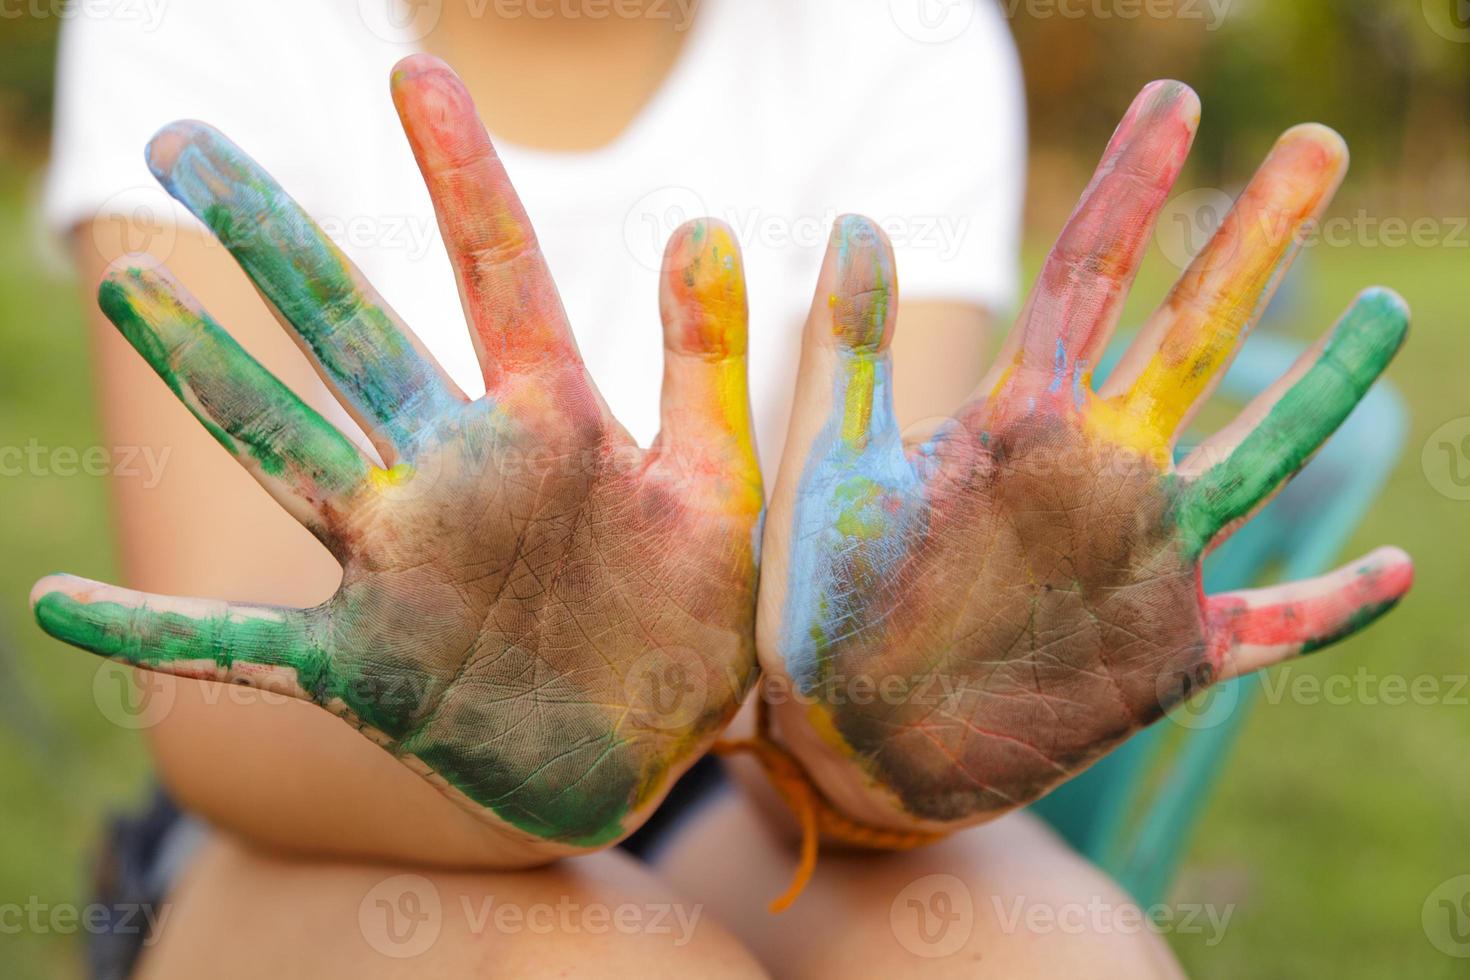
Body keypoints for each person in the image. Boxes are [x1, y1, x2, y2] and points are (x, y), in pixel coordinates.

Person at [45, 2, 1399, 976]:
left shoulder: (900, 38)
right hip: (338, 780)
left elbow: (859, 633)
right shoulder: (197, 22)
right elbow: (218, 720)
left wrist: (884, 732)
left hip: (747, 761)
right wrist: (534, 733)